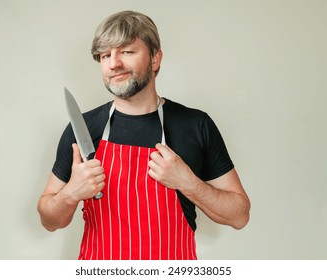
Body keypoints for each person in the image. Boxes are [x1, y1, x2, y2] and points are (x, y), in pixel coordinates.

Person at [37, 10, 250, 260]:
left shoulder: (194, 125)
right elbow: (49, 220)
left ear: (155, 58)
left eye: (127, 52)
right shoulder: (83, 128)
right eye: (106, 55)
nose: (114, 63)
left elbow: (239, 215)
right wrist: (72, 192)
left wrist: (187, 182)